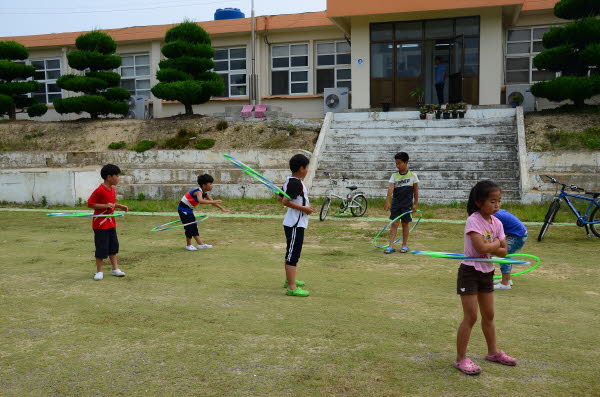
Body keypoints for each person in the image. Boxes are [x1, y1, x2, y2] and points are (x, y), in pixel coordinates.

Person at [454, 180, 517, 375]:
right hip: (470, 271)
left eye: (499, 200)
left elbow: (504, 252)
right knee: (471, 317)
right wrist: (496, 243)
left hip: (487, 271)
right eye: (492, 201)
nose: (497, 205)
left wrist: (496, 245)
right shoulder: (473, 220)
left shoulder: (497, 222)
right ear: (479, 202)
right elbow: (481, 248)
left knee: (489, 315)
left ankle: (493, 353)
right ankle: (461, 359)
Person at [279, 154, 313, 297]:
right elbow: (285, 202)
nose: (307, 171)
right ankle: (292, 288)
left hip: (294, 223)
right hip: (295, 224)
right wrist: (304, 208)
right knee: (293, 255)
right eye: (306, 168)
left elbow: (280, 197)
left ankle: (289, 280)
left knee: (291, 252)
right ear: (301, 168)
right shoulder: (295, 183)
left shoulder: (290, 181)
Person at [87, 164, 128, 281]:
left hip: (111, 223)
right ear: (109, 177)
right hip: (100, 224)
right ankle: (99, 271)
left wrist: (120, 206)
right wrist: (105, 205)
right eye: (117, 175)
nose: (118, 178)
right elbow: (90, 204)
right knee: (101, 247)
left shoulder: (112, 189)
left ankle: (115, 269)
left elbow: (111, 204)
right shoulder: (100, 190)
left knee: (113, 245)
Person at [177, 174, 229, 251]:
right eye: (210, 184)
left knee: (193, 226)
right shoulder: (198, 192)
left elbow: (212, 202)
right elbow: (200, 201)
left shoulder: (204, 193)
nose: (212, 186)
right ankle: (188, 245)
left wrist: (222, 208)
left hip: (189, 210)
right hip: (183, 210)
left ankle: (200, 244)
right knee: (189, 227)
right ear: (204, 185)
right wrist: (214, 200)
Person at [383, 152, 419, 254]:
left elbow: (416, 191)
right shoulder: (394, 176)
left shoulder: (413, 175)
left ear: (406, 163)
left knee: (405, 223)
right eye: (396, 163)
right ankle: (390, 246)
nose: (397, 165)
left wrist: (415, 204)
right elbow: (390, 188)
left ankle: (404, 245)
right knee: (394, 223)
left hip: (407, 204)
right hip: (396, 204)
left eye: (399, 163)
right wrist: (387, 201)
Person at [492, 209, 528, 290]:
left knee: (504, 255)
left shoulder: (494, 216)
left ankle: (505, 283)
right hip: (518, 234)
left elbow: (495, 234)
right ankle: (507, 279)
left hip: (518, 235)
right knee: (505, 255)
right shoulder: (497, 212)